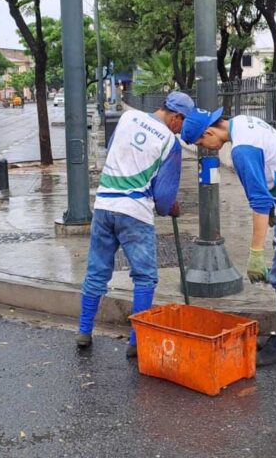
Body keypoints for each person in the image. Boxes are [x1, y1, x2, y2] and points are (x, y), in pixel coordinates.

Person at [181, 108, 276, 366]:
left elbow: (259, 202)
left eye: (201, 142)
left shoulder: (242, 150)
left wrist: (255, 253)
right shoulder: (244, 122)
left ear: (210, 131)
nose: (206, 147)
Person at [76, 91, 196, 357]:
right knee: (144, 277)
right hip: (135, 214)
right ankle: (136, 341)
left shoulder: (128, 117)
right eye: (184, 122)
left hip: (105, 205)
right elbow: (164, 199)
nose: (182, 129)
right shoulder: (169, 142)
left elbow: (113, 149)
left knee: (97, 271)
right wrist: (170, 208)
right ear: (176, 116)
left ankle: (84, 331)